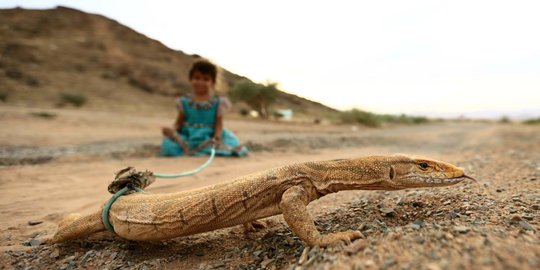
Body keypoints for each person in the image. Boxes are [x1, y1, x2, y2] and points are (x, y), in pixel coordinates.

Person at [160, 60, 248, 157]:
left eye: (206, 79)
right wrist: (171, 130)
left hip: (209, 136)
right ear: (190, 79)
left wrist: (217, 138)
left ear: (213, 82)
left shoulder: (218, 103)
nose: (200, 82)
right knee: (169, 147)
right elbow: (178, 123)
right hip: (188, 136)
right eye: (197, 78)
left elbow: (219, 124)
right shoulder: (184, 102)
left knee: (227, 146)